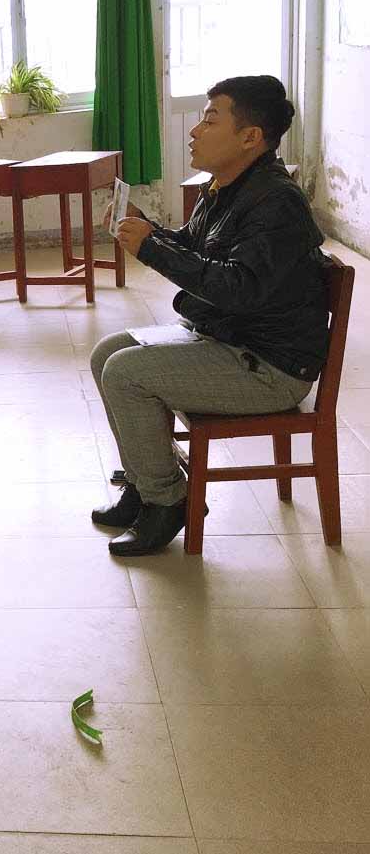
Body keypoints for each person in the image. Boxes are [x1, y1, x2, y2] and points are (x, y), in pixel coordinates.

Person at [92, 75, 328, 555]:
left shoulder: (277, 203)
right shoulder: (227, 186)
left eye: (209, 119)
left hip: (269, 367)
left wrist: (153, 250)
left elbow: (237, 288)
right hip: (230, 340)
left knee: (126, 373)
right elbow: (196, 248)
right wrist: (149, 231)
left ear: (249, 137)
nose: (196, 131)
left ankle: (169, 502)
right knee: (107, 353)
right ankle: (144, 481)